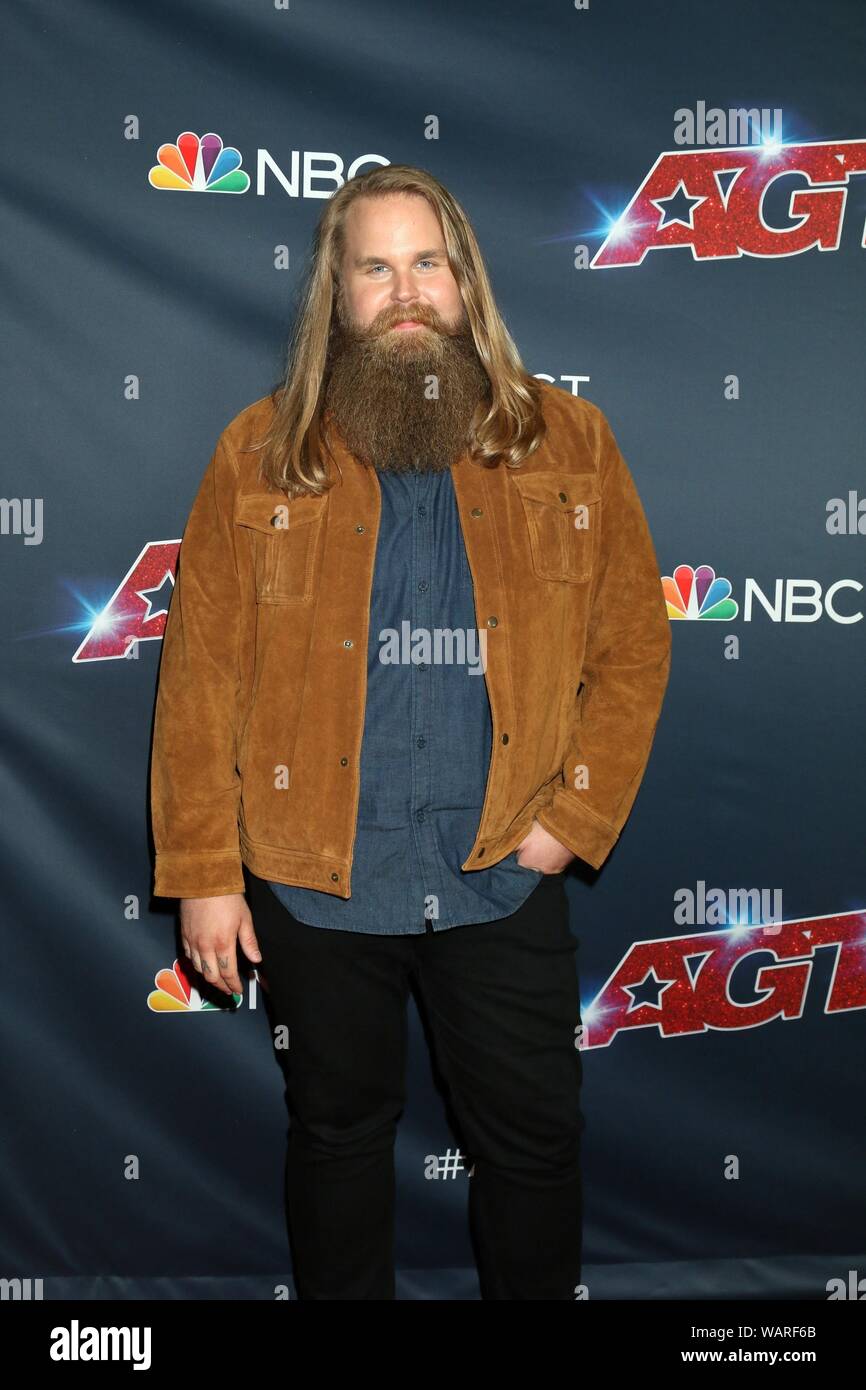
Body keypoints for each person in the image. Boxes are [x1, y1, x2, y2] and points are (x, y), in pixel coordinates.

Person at [150, 163, 672, 1299]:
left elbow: (630, 647)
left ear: (462, 279)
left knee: (533, 1145)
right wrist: (202, 873)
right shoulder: (258, 452)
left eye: (424, 263)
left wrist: (568, 822)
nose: (403, 292)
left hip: (499, 867)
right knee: (336, 1141)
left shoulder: (567, 439)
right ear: (334, 299)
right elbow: (200, 676)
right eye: (373, 268)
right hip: (316, 873)